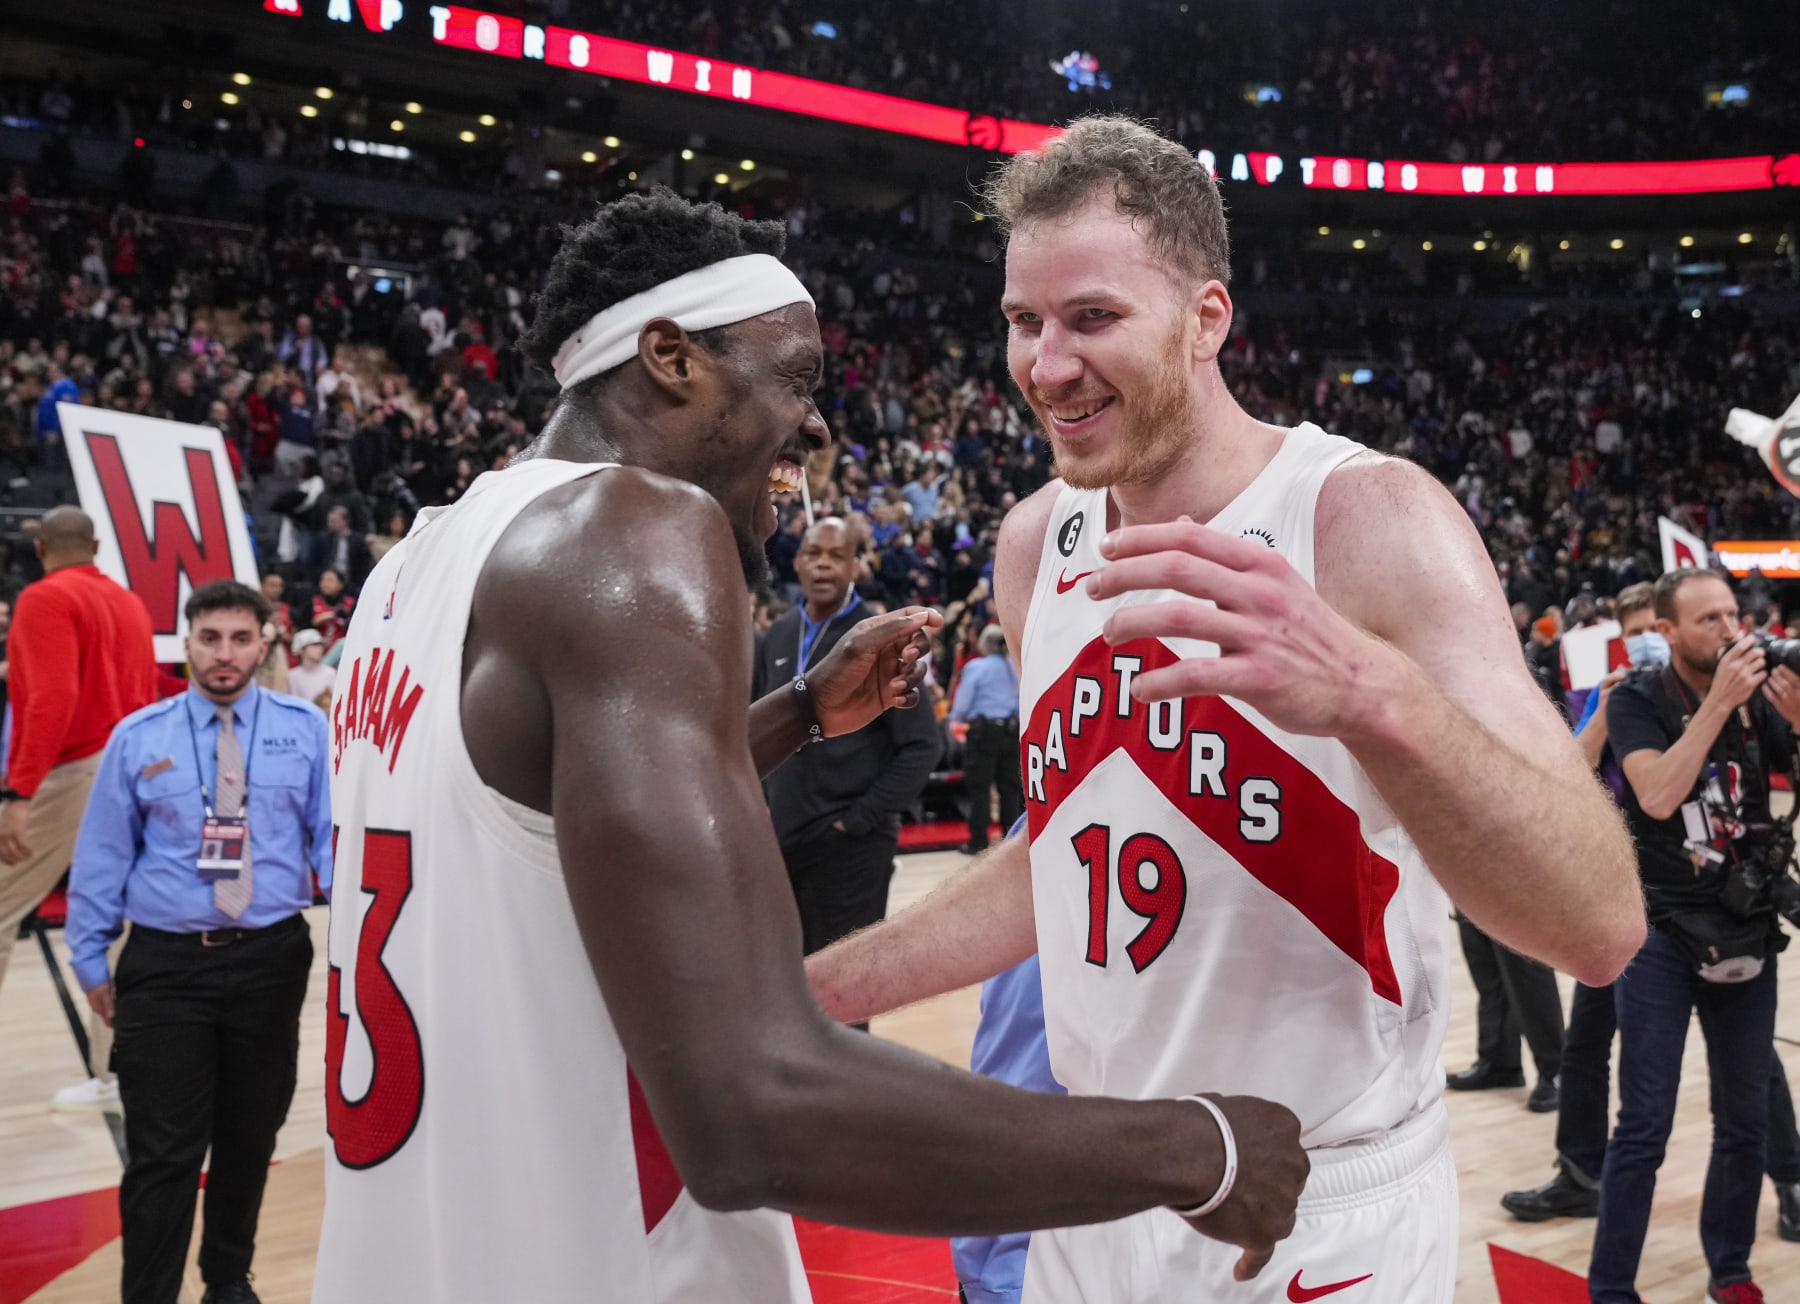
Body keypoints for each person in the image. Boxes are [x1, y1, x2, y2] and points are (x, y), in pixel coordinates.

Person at [312, 189, 1309, 1304]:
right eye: (797, 378)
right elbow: (758, 1107)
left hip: (420, 1247)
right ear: (670, 356)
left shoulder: (422, 560)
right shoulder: (639, 530)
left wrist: (794, 711)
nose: (823, 427)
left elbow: (539, 828)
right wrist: (1196, 1148)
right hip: (598, 1260)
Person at [807, 116, 1642, 1302]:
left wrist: (1367, 691)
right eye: (1022, 322)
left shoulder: (1369, 520)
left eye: (1092, 318)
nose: (1046, 365)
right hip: (1096, 1182)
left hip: (1311, 1208)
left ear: (1207, 319)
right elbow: (1062, 849)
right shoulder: (1036, 542)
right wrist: (819, 995)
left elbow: (1599, 923)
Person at [64, 580, 332, 1304]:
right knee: (163, 1153)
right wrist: (89, 955)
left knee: (250, 1136)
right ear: (186, 643)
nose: (224, 655)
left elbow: (331, 841)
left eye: (240, 639)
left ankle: (226, 1279)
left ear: (265, 642)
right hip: (167, 963)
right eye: (210, 638)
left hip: (272, 956)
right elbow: (101, 855)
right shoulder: (139, 736)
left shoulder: (305, 729)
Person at [1502, 583, 1800, 1235]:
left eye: (1651, 631)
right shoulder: (1617, 698)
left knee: (1752, 1060)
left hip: (1697, 899)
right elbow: (1565, 777)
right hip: (1618, 897)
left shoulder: (1714, 699)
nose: (1645, 646)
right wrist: (1605, 714)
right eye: (1634, 633)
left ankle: (1791, 1177)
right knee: (1586, 1042)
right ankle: (1580, 1173)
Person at [1589, 568, 1800, 1304]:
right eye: (1708, 620)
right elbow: (1655, 793)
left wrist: (1797, 720)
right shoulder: (1638, 699)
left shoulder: (1759, 698)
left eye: (1732, 615)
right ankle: (1611, 1287)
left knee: (1743, 1120)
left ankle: (1730, 1270)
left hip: (1746, 920)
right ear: (1668, 632)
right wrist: (1717, 706)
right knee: (1644, 1124)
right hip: (1662, 935)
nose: (1729, 630)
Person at [0, 506, 157, 1111]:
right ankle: (116, 1073)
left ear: (40, 549)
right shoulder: (129, 603)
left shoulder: (44, 599)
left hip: (73, 771)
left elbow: (56, 697)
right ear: (94, 545)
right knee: (117, 926)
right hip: (132, 770)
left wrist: (20, 794)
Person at [752, 515, 940, 957]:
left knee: (844, 989)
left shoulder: (880, 635)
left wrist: (856, 822)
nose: (823, 565)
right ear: (796, 562)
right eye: (814, 554)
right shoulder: (775, 635)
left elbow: (921, 746)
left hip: (851, 845)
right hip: (783, 838)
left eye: (837, 556)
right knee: (789, 982)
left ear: (857, 566)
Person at [950, 623, 1024, 854]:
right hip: (1012, 732)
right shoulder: (1016, 667)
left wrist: (956, 718)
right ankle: (1010, 841)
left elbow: (962, 703)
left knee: (979, 788)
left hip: (984, 734)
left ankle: (979, 841)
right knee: (1010, 789)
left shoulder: (976, 667)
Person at [286, 628, 335, 706]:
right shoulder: (292, 676)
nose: (320, 648)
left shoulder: (330, 673)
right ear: (301, 650)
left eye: (320, 645)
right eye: (314, 645)